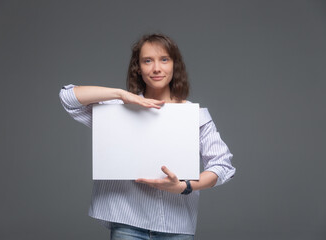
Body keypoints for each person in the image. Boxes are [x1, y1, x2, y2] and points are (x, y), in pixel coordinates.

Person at [59, 33, 235, 240]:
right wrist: (120, 94)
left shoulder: (195, 116)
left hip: (176, 225)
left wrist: (184, 186)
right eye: (147, 61)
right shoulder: (118, 111)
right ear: (138, 68)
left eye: (164, 59)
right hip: (128, 222)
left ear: (174, 65)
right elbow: (69, 97)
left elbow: (223, 166)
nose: (157, 68)